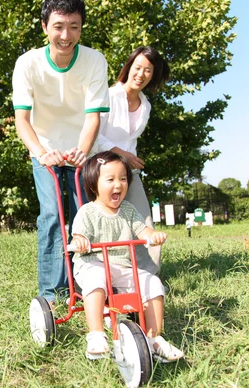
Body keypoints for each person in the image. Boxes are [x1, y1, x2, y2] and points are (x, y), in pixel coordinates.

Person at [12, 0, 110, 307]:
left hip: (83, 149)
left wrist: (83, 150)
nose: (66, 36)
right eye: (58, 26)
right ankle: (53, 291)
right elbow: (22, 120)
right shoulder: (27, 64)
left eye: (74, 26)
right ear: (45, 26)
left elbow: (93, 116)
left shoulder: (95, 61)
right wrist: (42, 152)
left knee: (86, 215)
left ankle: (89, 283)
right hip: (45, 148)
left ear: (81, 27)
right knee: (53, 214)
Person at [70, 151, 184, 362]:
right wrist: (80, 242)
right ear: (94, 185)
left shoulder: (129, 210)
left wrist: (153, 236)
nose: (118, 184)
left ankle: (154, 338)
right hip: (92, 263)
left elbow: (144, 232)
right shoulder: (87, 212)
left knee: (152, 282)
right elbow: (79, 236)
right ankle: (96, 335)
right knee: (96, 278)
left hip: (122, 267)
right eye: (110, 179)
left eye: (123, 178)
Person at [90, 46, 170, 275]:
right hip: (101, 168)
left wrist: (129, 160)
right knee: (108, 225)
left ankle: (148, 277)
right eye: (138, 68)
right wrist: (121, 154)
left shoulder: (145, 105)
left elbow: (130, 141)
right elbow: (94, 134)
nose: (141, 74)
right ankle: (105, 276)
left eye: (148, 70)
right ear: (129, 68)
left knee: (145, 224)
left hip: (128, 174)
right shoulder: (109, 95)